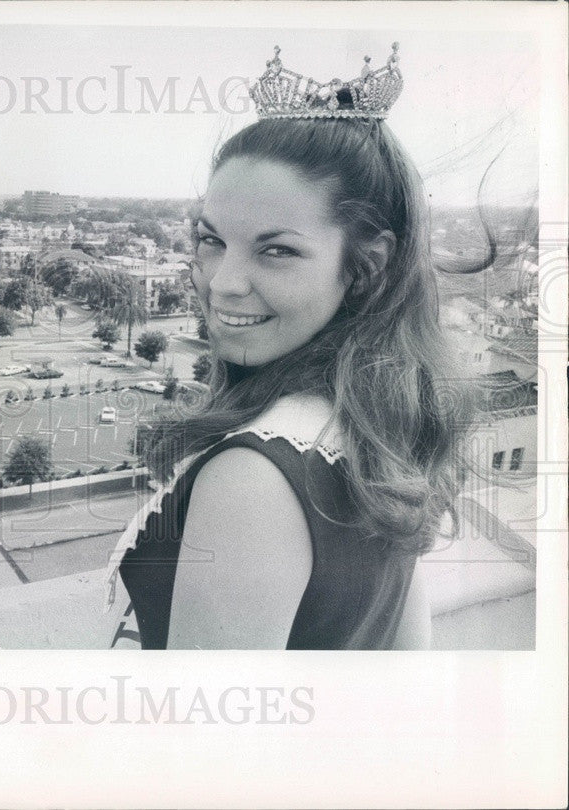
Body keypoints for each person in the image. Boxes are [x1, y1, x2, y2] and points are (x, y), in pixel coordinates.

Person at [102, 43, 488, 651]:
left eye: (276, 249)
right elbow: (406, 665)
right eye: (210, 240)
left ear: (365, 265)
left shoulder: (251, 479)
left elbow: (195, 742)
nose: (223, 281)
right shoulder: (377, 430)